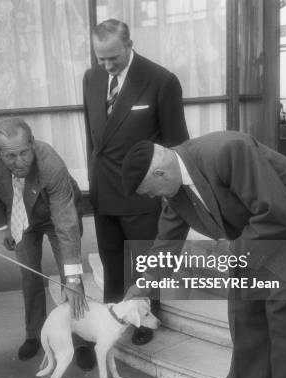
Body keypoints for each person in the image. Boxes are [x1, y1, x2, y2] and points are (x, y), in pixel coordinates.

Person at [121, 132, 286, 378]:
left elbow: (277, 214)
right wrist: (143, 286)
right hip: (263, 239)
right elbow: (166, 241)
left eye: (148, 190)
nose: (152, 197)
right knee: (244, 312)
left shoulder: (228, 150)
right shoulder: (175, 191)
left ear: (159, 174)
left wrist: (233, 255)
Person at [82, 18, 189, 345]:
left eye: (113, 57)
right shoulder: (91, 77)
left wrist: (174, 195)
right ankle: (115, 316)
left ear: (129, 45)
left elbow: (177, 144)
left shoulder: (161, 81)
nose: (107, 65)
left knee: (143, 261)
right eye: (101, 58)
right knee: (112, 262)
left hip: (142, 194)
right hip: (104, 192)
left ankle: (145, 319)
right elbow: (93, 137)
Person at [0, 118, 94, 368]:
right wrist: (3, 226)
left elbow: (66, 223)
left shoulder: (50, 163)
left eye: (23, 153)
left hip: (57, 216)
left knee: (70, 276)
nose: (18, 162)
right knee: (29, 275)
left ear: (32, 144)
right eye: (10, 156)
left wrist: (73, 279)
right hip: (20, 217)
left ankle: (81, 339)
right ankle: (35, 334)